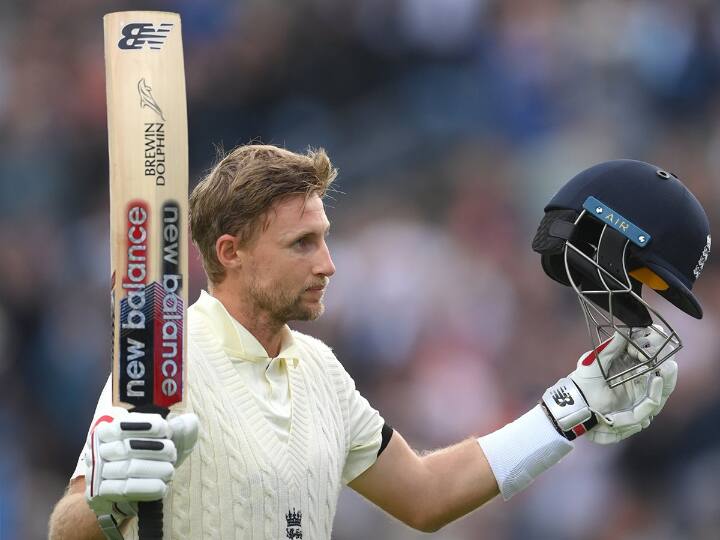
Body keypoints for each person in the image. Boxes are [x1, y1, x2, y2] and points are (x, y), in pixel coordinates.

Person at [48, 148, 710, 539]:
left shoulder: (319, 372)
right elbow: (66, 525)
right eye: (302, 244)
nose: (329, 263)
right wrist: (106, 505)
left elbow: (424, 495)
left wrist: (570, 409)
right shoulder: (174, 355)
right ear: (234, 252)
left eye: (326, 237)